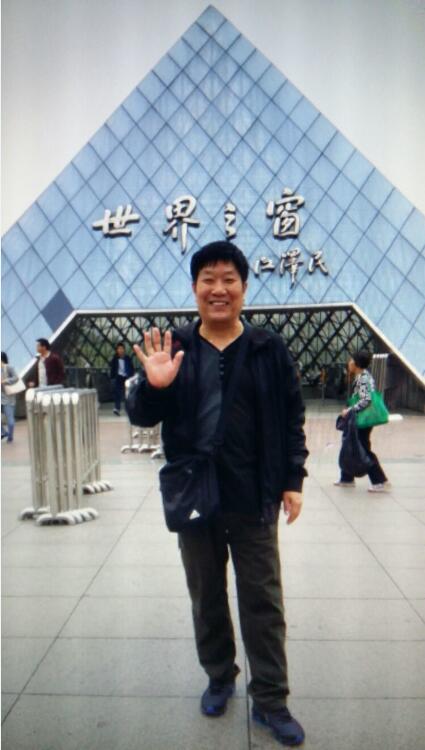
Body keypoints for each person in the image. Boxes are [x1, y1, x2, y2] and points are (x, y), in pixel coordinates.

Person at [128, 241, 308, 747]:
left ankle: (270, 698)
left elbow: (292, 417)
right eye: (208, 279)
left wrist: (293, 480)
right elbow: (141, 414)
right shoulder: (177, 346)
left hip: (254, 498)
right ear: (195, 288)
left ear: (244, 288)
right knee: (206, 596)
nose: (219, 289)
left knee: (263, 601)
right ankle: (219, 675)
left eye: (229, 279)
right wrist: (155, 385)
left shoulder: (269, 348)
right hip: (196, 498)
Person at [334, 350, 389, 492]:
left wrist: (350, 410)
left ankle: (379, 480)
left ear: (356, 363)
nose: (349, 362)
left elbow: (365, 400)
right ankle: (346, 478)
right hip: (362, 419)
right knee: (351, 445)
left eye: (351, 360)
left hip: (362, 420)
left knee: (361, 449)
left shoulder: (362, 378)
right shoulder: (363, 376)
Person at [110, 342, 134, 415]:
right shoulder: (115, 359)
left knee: (127, 394)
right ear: (117, 350)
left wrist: (131, 377)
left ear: (124, 350)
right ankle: (117, 408)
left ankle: (129, 408)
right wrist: (112, 378)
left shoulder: (127, 358)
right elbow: (112, 369)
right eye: (119, 349)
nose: (120, 350)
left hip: (126, 377)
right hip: (118, 377)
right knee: (117, 393)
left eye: (121, 349)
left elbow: (131, 368)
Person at [1, 351, 18, 443]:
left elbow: (16, 378)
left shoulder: (9, 367)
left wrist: (5, 381)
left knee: (10, 420)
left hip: (8, 398)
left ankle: (10, 436)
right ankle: (3, 432)